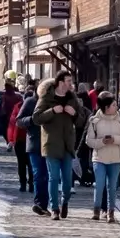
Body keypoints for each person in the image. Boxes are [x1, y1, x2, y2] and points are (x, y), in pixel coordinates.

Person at [34, 74, 85, 219]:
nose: (71, 84)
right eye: (69, 81)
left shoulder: (72, 99)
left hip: (67, 145)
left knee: (68, 180)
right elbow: (36, 118)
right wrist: (52, 111)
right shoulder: (46, 98)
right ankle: (54, 208)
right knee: (53, 177)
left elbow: (82, 121)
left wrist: (74, 114)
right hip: (51, 144)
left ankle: (65, 201)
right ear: (60, 83)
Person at [88, 90, 120, 222]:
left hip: (116, 158)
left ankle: (110, 212)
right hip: (99, 158)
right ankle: (96, 210)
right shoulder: (94, 121)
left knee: (112, 187)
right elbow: (89, 141)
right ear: (106, 107)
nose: (116, 107)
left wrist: (114, 139)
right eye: (113, 105)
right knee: (99, 184)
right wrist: (102, 142)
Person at [15, 84, 46, 210]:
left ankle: (50, 203)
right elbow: (19, 121)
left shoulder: (54, 102)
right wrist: (32, 120)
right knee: (38, 173)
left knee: (49, 176)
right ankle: (39, 203)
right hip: (34, 142)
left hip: (52, 143)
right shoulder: (30, 102)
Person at [9, 78, 35, 195]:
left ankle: (27, 184)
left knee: (27, 163)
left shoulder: (22, 107)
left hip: (27, 139)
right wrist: (11, 139)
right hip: (22, 139)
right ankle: (25, 184)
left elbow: (12, 124)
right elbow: (12, 124)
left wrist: (11, 139)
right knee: (25, 163)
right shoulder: (18, 107)